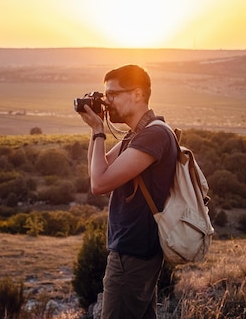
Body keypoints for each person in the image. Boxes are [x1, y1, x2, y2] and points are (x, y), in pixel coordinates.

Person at [79, 64, 177, 319]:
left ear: (137, 94)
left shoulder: (153, 135)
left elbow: (99, 185)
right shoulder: (138, 134)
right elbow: (98, 169)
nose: (106, 101)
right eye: (105, 95)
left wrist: (100, 130)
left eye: (112, 94)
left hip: (132, 254)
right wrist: (94, 129)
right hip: (136, 251)